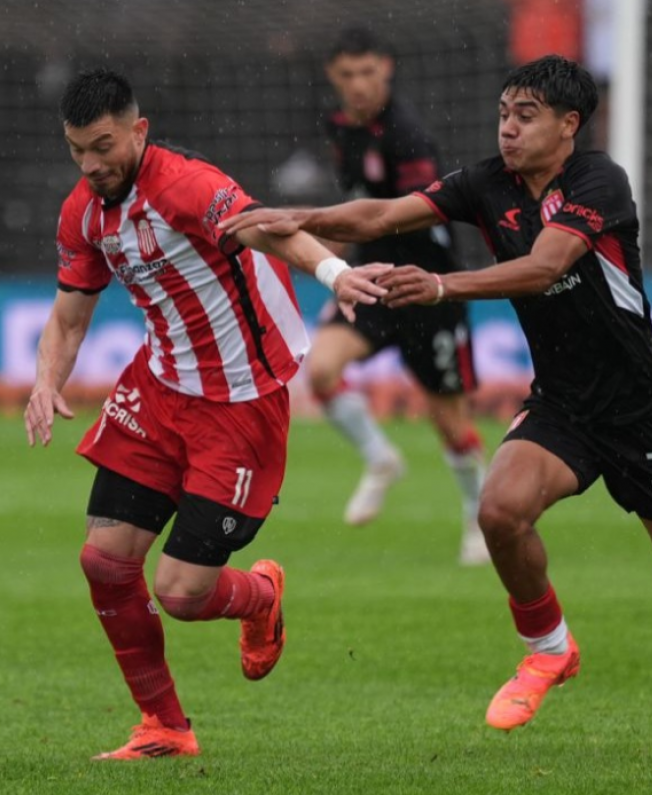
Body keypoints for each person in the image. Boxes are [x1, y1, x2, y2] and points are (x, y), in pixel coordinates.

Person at [221, 55, 652, 753]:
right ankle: (549, 647)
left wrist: (441, 287)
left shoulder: (599, 181)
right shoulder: (486, 182)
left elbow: (544, 267)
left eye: (525, 117)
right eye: (504, 114)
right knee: (498, 509)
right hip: (564, 403)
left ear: (569, 124)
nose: (508, 129)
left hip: (645, 408)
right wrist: (301, 215)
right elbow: (382, 213)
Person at [23, 68, 389, 761]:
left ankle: (259, 595)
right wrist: (46, 381)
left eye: (102, 146)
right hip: (159, 389)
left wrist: (337, 277)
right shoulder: (82, 212)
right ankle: (163, 725)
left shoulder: (187, 186)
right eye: (77, 150)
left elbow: (274, 232)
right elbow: (69, 316)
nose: (91, 164)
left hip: (241, 402)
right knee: (104, 560)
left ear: (138, 131)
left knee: (183, 591)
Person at [316, 27, 488, 565]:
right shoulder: (341, 128)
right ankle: (380, 457)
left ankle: (478, 520)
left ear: (386, 69)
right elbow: (357, 205)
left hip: (426, 289)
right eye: (348, 75)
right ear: (333, 77)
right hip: (371, 279)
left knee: (450, 422)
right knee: (321, 369)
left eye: (368, 72)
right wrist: (330, 261)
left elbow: (419, 211)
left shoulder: (408, 136)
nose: (359, 85)